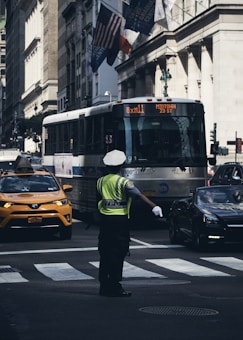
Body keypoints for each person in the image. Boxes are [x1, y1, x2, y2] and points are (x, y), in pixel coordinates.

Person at [96, 149, 163, 297]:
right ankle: (115, 286)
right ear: (121, 166)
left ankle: (104, 285)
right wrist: (154, 207)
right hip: (120, 222)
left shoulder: (100, 181)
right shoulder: (123, 182)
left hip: (105, 221)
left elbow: (99, 201)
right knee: (118, 253)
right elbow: (139, 195)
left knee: (105, 254)